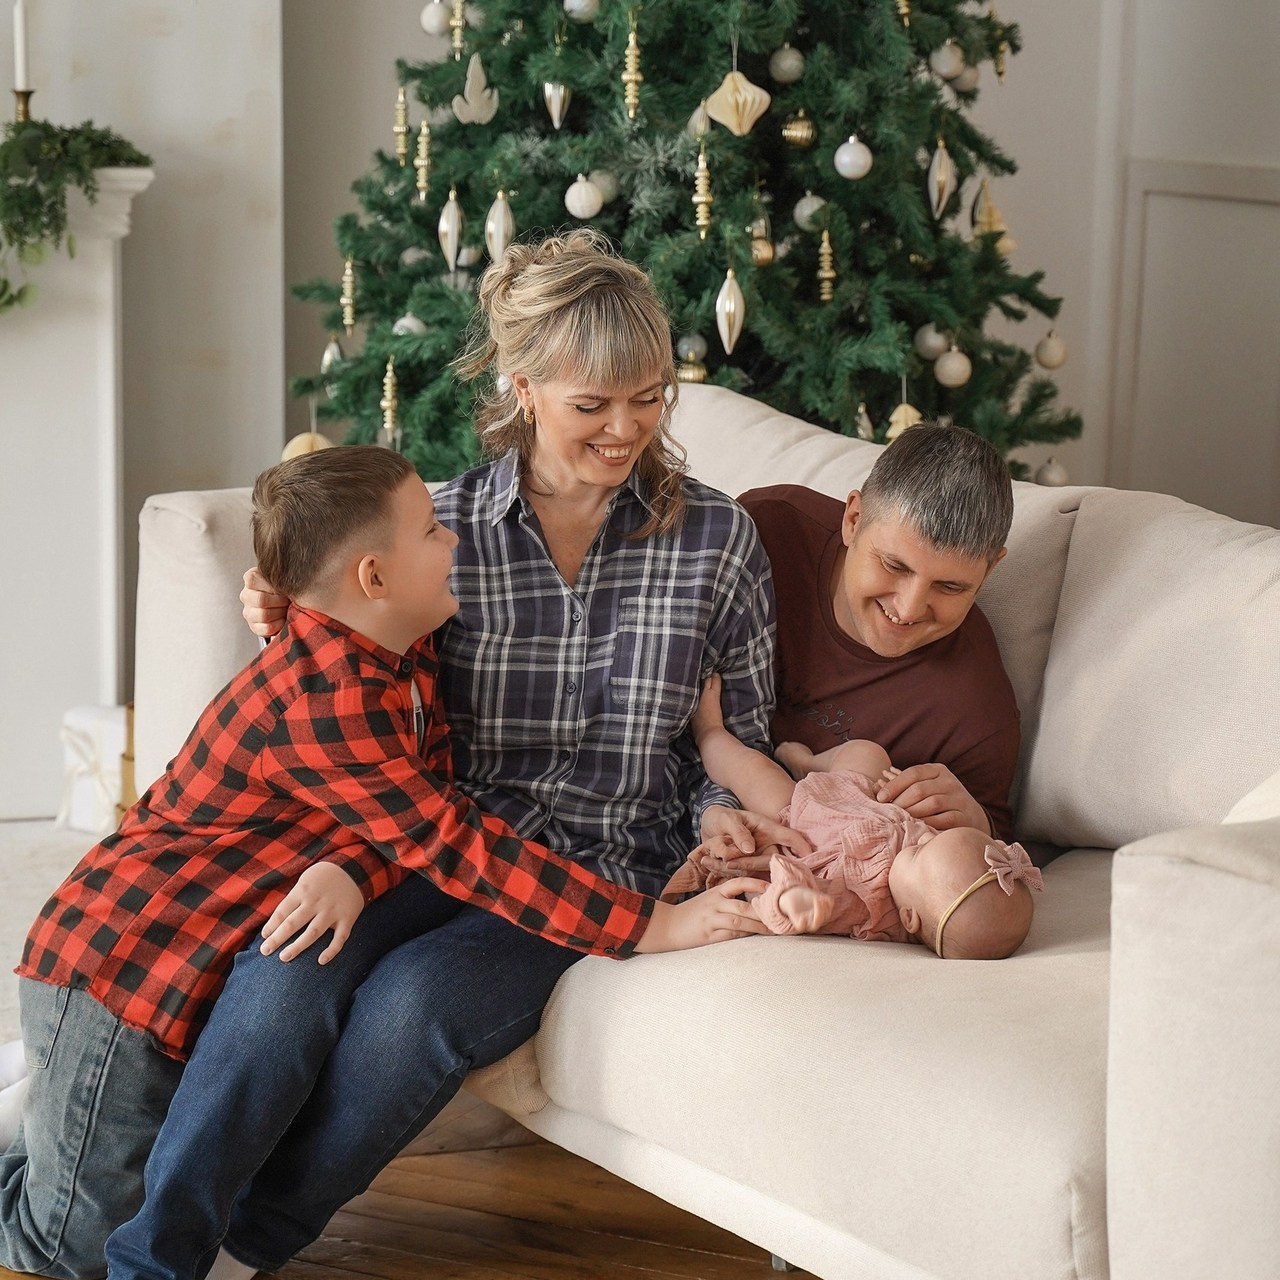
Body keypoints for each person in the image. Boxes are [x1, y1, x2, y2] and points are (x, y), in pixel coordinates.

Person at [105, 230, 804, 1280]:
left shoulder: (716, 540)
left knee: (413, 1010)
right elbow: (360, 672)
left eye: (651, 396)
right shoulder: (444, 529)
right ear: (523, 387)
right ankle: (150, 1259)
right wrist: (283, 609)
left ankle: (241, 1250)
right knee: (284, 971)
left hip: (603, 862)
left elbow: (729, 735)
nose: (627, 428)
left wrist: (720, 817)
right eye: (593, 403)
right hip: (437, 843)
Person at [1, 445, 766, 1280]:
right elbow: (452, 840)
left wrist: (357, 868)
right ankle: (34, 1108)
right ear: (372, 577)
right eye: (435, 531)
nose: (456, 540)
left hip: (179, 968)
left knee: (88, 1203)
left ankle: (41, 1119)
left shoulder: (399, 647)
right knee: (63, 1251)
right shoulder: (331, 697)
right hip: (122, 972)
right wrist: (646, 924)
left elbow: (414, 794)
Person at [740, 422, 1021, 839]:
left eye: (949, 587)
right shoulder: (762, 535)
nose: (908, 609)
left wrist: (976, 825)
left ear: (990, 569)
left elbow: (994, 858)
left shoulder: (975, 712)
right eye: (894, 565)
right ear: (853, 519)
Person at [667, 674, 1043, 958]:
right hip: (858, 800)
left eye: (919, 851)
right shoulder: (933, 872)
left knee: (750, 770)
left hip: (800, 821)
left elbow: (813, 899)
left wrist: (794, 901)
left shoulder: (867, 905)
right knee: (868, 752)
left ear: (909, 918)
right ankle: (809, 761)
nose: (922, 836)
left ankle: (708, 733)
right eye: (936, 836)